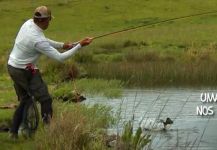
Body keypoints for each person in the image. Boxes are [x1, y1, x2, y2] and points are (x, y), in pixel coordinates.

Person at [7, 6, 92, 139]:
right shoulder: (37, 40)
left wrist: (63, 45)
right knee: (42, 99)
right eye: (49, 20)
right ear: (44, 20)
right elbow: (60, 58)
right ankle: (48, 131)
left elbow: (44, 40)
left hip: (14, 66)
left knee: (26, 100)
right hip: (21, 71)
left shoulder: (29, 23)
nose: (49, 23)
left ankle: (14, 132)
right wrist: (79, 45)